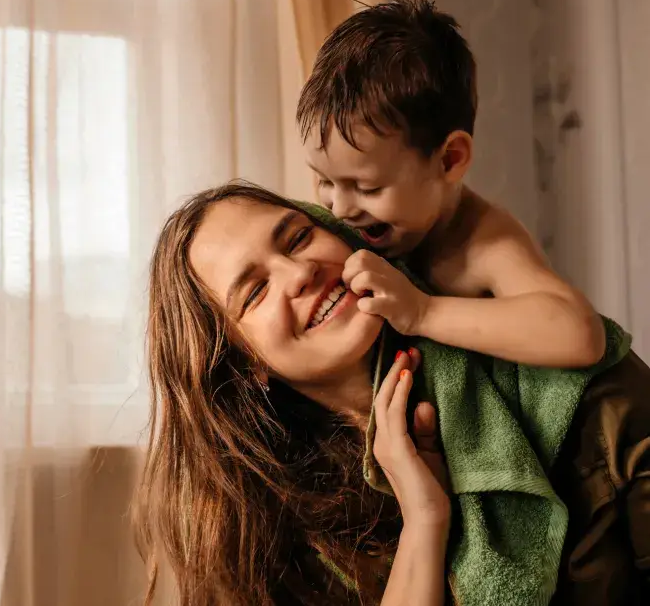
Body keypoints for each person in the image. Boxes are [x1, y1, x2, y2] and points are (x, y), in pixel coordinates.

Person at [133, 182, 650, 605]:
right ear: (244, 367)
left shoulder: (567, 382)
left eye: (297, 238)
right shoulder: (267, 540)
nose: (301, 271)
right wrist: (424, 519)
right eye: (255, 291)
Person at [295, 0, 604, 369]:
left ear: (449, 160)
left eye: (367, 188)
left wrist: (423, 312)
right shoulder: (356, 230)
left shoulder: (485, 242)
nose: (340, 207)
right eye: (325, 181)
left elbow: (580, 335)